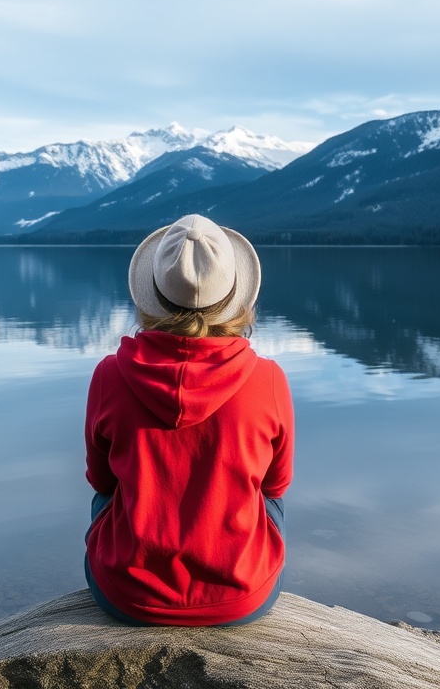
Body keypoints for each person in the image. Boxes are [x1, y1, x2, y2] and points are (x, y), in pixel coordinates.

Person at [83, 214, 295, 626]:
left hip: (127, 596)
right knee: (267, 500)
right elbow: (276, 485)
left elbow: (101, 482)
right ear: (235, 296)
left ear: (154, 294)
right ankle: (235, 565)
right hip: (239, 598)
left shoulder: (110, 375)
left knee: (107, 499)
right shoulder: (268, 378)